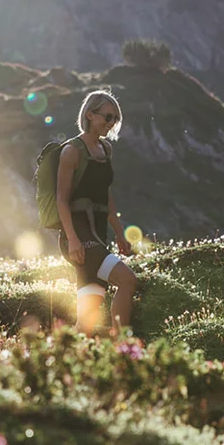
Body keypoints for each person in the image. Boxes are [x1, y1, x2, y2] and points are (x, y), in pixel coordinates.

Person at [56, 90, 138, 336]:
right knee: (127, 280)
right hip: (80, 236)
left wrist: (120, 235)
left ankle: (55, 361)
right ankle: (123, 348)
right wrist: (72, 240)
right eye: (108, 117)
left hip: (98, 236)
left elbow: (106, 198)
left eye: (115, 119)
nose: (111, 123)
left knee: (86, 323)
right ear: (90, 114)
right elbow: (61, 198)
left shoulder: (105, 150)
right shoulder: (72, 151)